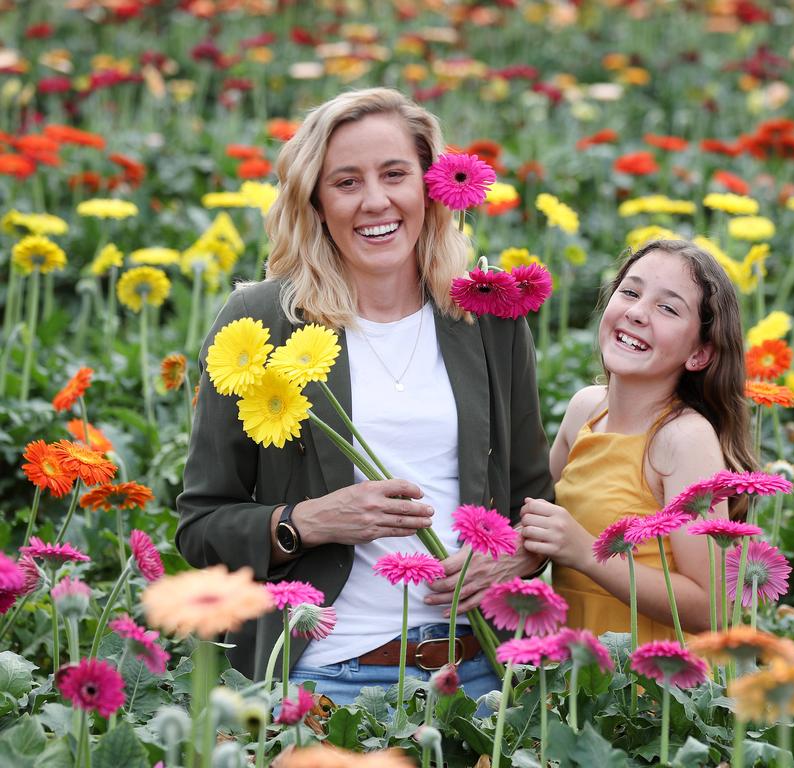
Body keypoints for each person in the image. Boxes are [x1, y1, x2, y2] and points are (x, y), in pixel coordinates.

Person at [176, 87, 552, 703]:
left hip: (478, 675)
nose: (376, 200)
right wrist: (304, 523)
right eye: (346, 182)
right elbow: (201, 524)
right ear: (317, 203)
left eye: (395, 174)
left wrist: (515, 558)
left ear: (431, 187)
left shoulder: (487, 315)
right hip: (327, 676)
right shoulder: (262, 321)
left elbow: (533, 499)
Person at [519, 239, 756, 642]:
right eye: (630, 291)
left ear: (699, 354)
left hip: (646, 693)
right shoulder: (585, 410)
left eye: (668, 308)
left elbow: (712, 609)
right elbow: (536, 525)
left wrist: (586, 553)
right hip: (569, 684)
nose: (637, 312)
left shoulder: (683, 438)